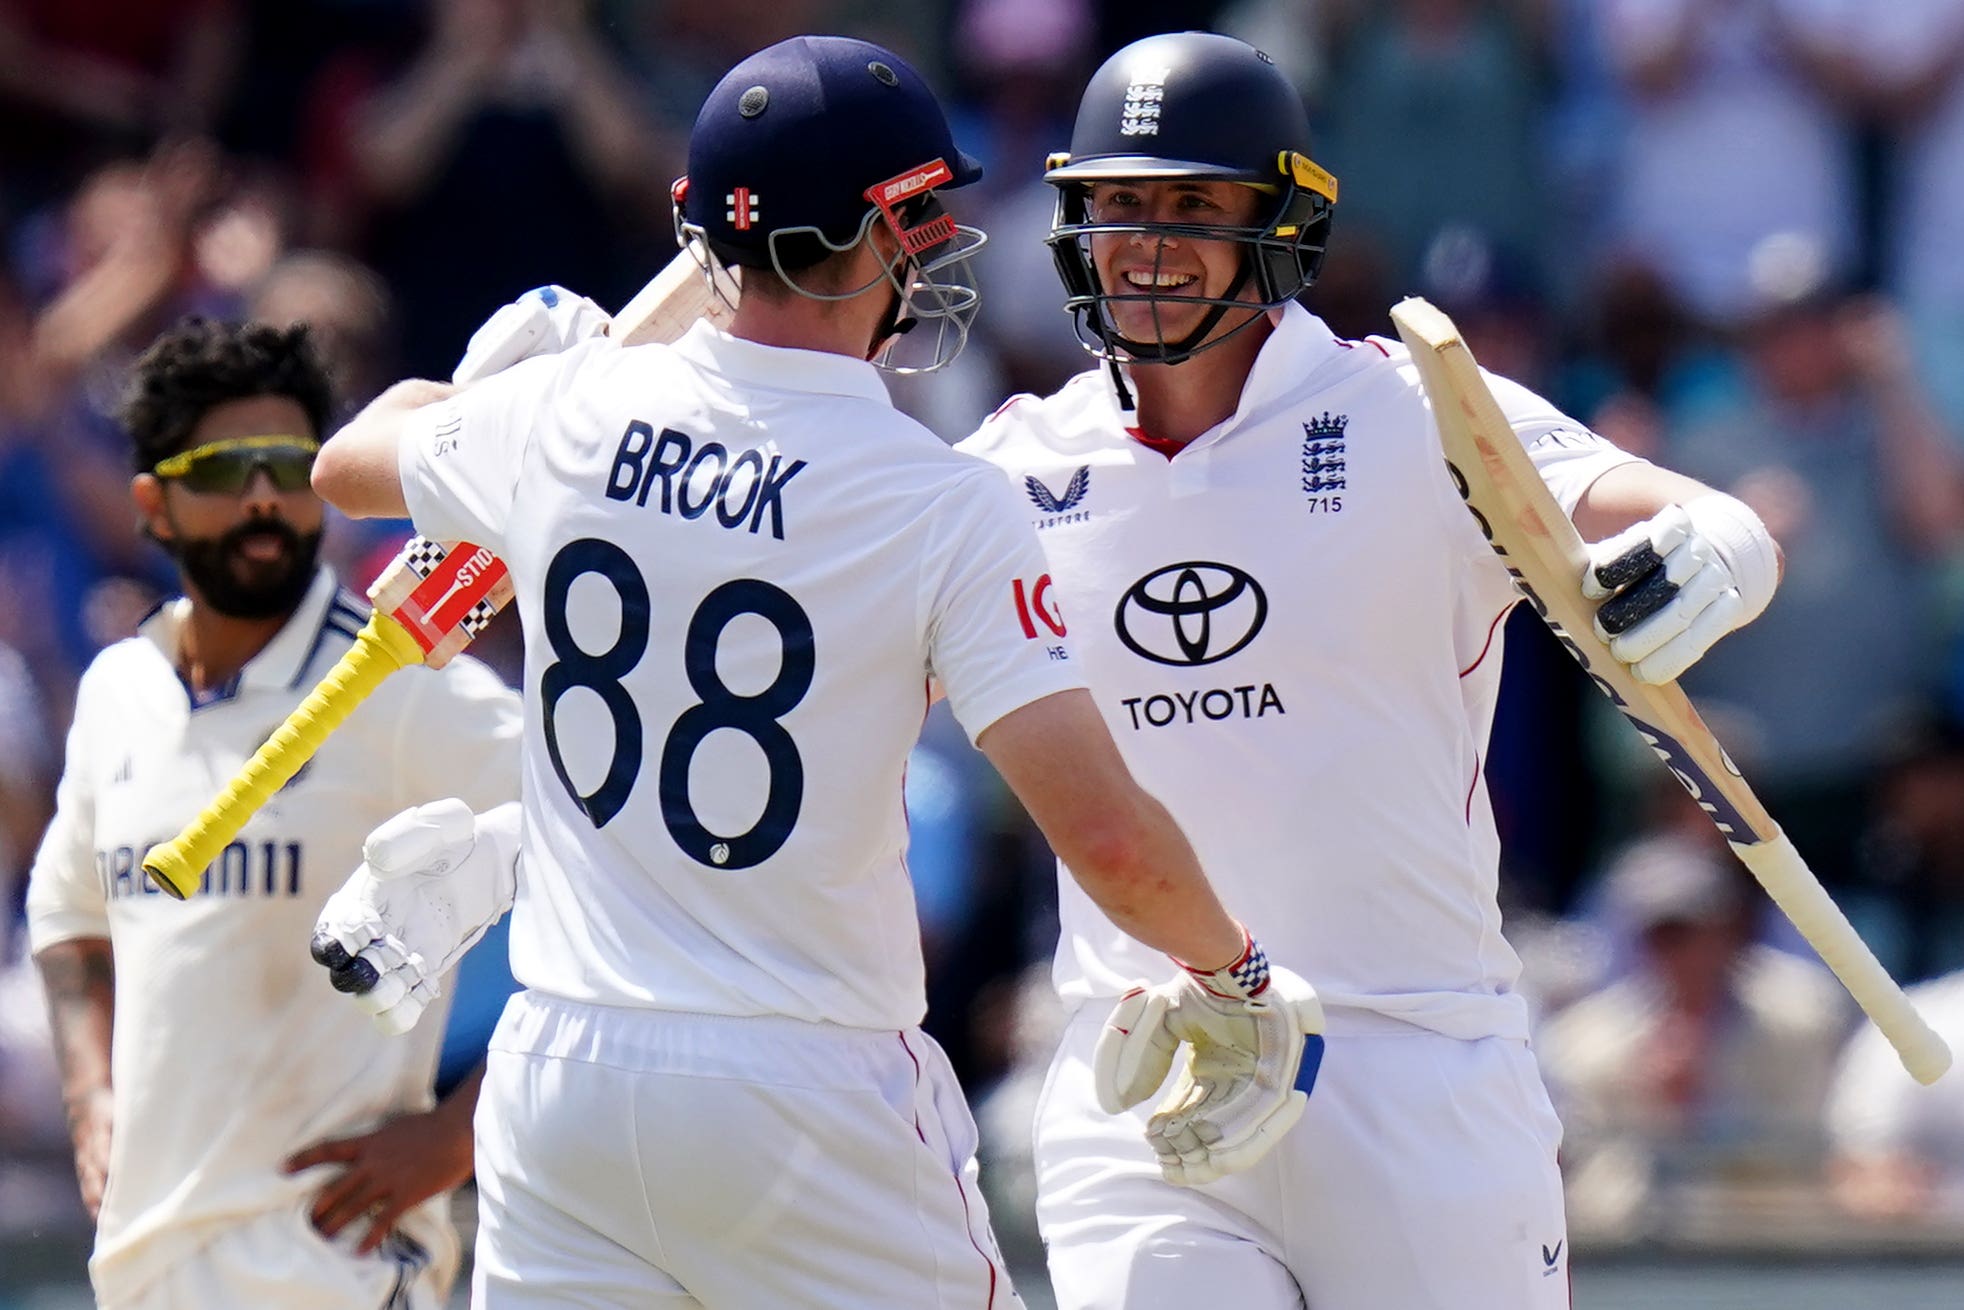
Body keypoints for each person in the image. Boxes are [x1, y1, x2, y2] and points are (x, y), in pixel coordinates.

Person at [306, 34, 1317, 1309]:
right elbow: (1107, 840)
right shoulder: (936, 501)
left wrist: (483, 391)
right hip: (807, 1088)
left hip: (560, 1071)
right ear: (882, 228)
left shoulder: (563, 418)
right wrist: (1233, 971)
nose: (942, 242)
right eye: (926, 213)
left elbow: (345, 459)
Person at [954, 31, 1785, 1309]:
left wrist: (1712, 551)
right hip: (1157, 1072)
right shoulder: (1012, 465)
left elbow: (1684, 515)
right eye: (1118, 203)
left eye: (1189, 204)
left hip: (1415, 1069)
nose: (1146, 241)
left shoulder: (1415, 412)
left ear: (1275, 221)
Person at [25, 317, 522, 1309]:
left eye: (286, 467)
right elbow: (71, 914)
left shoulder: (411, 686)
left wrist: (461, 1130)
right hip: (146, 1264)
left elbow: (622, 873)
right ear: (153, 507)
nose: (261, 498)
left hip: (337, 1264)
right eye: (222, 470)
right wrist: (91, 1101)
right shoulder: (120, 689)